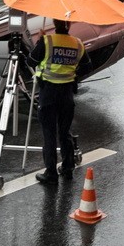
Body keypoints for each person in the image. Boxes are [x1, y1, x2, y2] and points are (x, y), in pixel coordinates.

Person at [27, 19, 92, 186]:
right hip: (67, 94)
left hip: (48, 93)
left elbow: (30, 62)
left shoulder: (47, 41)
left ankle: (51, 174)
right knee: (64, 132)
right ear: (69, 25)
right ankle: (68, 168)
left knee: (49, 133)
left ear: (54, 24)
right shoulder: (77, 44)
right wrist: (72, 75)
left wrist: (39, 40)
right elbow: (87, 66)